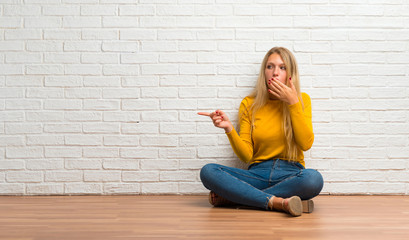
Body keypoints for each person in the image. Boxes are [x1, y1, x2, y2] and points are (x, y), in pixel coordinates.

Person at [197, 47, 323, 217]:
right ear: (264, 72)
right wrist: (229, 129)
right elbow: (246, 156)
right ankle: (277, 202)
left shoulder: (302, 100)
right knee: (208, 171)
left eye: (282, 67)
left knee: (314, 179)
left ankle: (237, 198)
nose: (275, 73)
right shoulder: (249, 103)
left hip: (291, 173)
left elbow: (305, 144)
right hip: (257, 173)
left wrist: (293, 103)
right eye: (270, 67)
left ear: (290, 73)